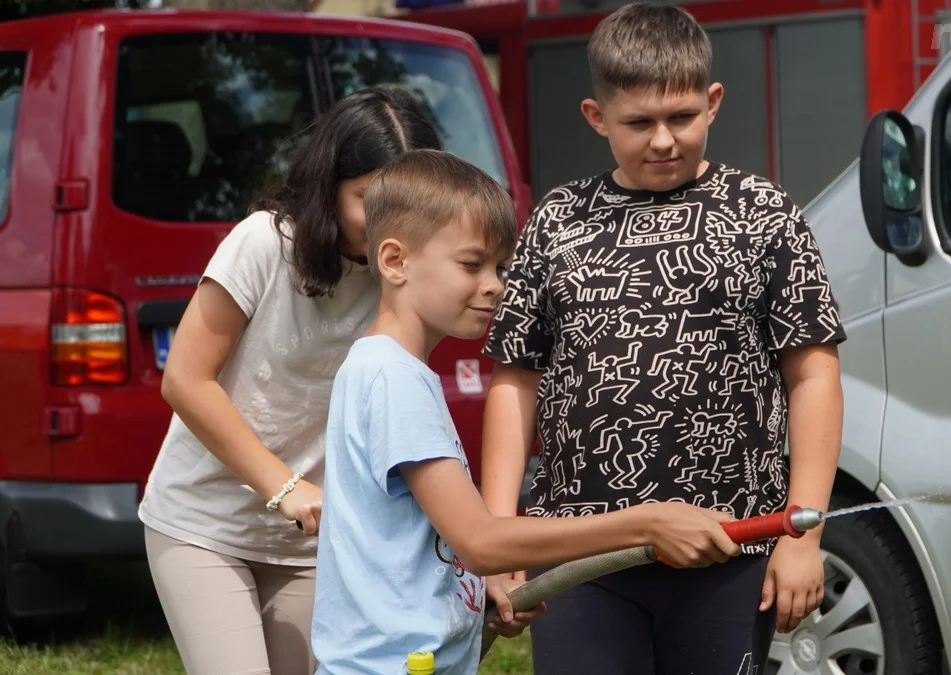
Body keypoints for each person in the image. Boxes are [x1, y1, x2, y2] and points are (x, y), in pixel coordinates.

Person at [479, 3, 848, 674]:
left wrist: (804, 530)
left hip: (730, 553)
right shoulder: (559, 221)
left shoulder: (762, 214)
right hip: (581, 558)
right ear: (596, 116)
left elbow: (813, 373)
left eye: (680, 117)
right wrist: (498, 536)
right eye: (638, 123)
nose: (662, 141)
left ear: (712, 102)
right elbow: (515, 378)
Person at [310, 149, 741, 675]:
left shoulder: (391, 370)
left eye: (501, 267)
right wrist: (650, 523)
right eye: (471, 264)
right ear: (395, 261)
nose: (495, 284)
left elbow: (425, 551)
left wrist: (481, 607)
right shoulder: (391, 378)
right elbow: (479, 541)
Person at [137, 86, 442, 675]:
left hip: (314, 542)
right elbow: (185, 380)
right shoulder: (262, 242)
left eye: (406, 203)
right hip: (202, 523)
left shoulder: (408, 274)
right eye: (368, 199)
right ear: (328, 186)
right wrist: (286, 489)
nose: (389, 224)